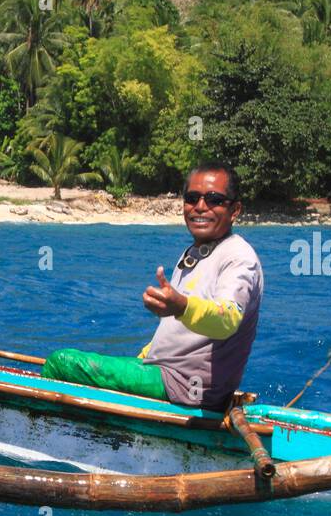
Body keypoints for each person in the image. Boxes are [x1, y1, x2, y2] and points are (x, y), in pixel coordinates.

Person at [42, 162, 264, 411]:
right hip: (163, 372)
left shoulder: (238, 257)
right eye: (192, 198)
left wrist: (181, 306)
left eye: (214, 199)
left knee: (61, 363)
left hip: (185, 386)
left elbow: (228, 319)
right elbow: (176, 333)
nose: (200, 207)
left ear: (235, 210)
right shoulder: (196, 251)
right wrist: (143, 357)